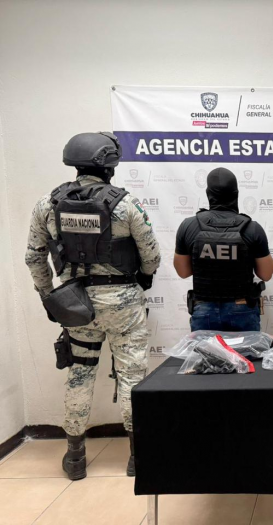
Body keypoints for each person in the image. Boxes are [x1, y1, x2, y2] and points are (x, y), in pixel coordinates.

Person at [25, 132, 161, 480]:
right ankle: (137, 458)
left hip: (75, 305)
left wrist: (48, 297)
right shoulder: (126, 204)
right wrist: (144, 278)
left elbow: (34, 258)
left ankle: (75, 457)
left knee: (80, 374)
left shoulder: (48, 205)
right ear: (109, 166)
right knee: (132, 375)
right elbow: (151, 256)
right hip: (123, 305)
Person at [174, 167, 273, 332]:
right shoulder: (252, 228)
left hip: (204, 309)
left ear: (208, 193)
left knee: (205, 351)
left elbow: (183, 272)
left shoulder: (188, 226)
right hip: (242, 308)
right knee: (246, 351)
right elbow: (266, 274)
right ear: (236, 193)